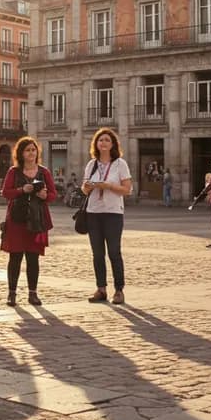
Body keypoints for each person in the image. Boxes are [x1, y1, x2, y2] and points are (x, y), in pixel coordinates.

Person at [0, 136, 56, 307]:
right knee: (15, 257)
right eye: (28, 150)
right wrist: (21, 190)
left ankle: (33, 293)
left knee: (33, 258)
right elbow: (5, 192)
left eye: (33, 150)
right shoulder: (13, 172)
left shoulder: (44, 172)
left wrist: (45, 195)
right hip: (17, 219)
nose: (31, 153)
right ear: (21, 153)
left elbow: (53, 194)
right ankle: (12, 294)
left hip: (37, 219)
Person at [81, 127, 133, 305]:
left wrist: (109, 186)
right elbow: (84, 188)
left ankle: (119, 290)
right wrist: (88, 186)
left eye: (107, 140)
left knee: (114, 252)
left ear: (112, 145)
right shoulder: (91, 164)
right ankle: (101, 289)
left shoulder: (120, 164)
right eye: (100, 140)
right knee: (97, 253)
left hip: (113, 213)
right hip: (93, 212)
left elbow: (127, 190)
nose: (103, 143)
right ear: (96, 143)